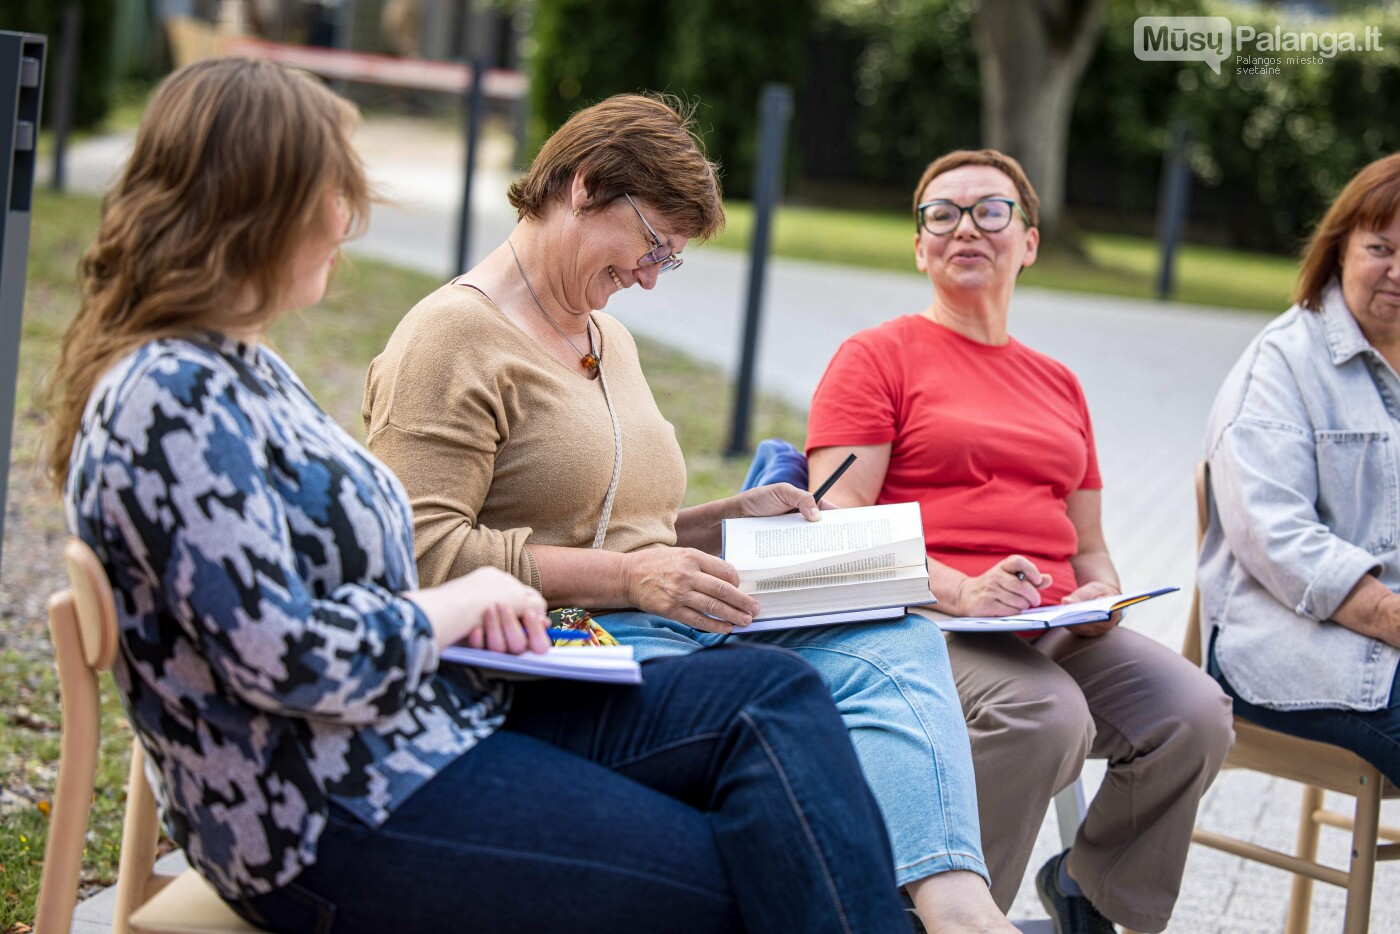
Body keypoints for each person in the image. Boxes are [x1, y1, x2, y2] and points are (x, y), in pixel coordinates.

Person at [46, 57, 912, 934]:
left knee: (773, 695)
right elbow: (291, 660)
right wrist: (464, 601)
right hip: (333, 809)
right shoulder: (172, 396)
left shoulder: (236, 369)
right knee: (741, 870)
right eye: (331, 196)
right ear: (249, 205)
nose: (346, 224)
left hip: (414, 737)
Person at [363, 93, 1015, 933]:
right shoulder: (452, 336)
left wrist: (727, 518)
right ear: (585, 187)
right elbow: (420, 553)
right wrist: (632, 576)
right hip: (552, 656)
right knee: (772, 699)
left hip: (664, 625)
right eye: (653, 246)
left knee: (898, 641)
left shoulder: (604, 334)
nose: (648, 276)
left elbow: (613, 520)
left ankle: (957, 904)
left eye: (667, 261)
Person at [805, 149, 1235, 934]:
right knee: (1043, 713)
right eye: (942, 213)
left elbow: (1091, 545)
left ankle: (1087, 891)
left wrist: (1103, 592)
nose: (965, 226)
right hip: (924, 623)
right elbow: (835, 527)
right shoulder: (877, 357)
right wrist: (963, 591)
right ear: (919, 246)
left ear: (1030, 241)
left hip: (1048, 625)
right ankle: (943, 917)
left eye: (991, 210)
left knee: (1195, 711)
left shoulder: (1060, 383)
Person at [1200, 152, 1400, 788]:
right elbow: (1279, 539)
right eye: (1381, 247)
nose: (1398, 272)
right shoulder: (1281, 366)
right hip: (1292, 643)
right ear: (1340, 247)